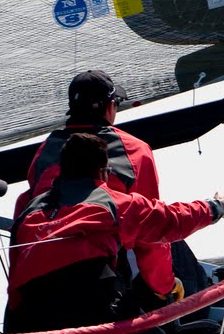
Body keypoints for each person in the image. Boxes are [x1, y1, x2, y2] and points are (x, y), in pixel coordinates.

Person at [1, 132, 224, 334]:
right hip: (85, 289)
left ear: (62, 168)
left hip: (25, 310)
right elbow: (171, 220)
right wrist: (219, 206)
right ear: (103, 172)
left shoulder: (27, 210)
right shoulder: (110, 201)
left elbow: (15, 270)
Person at [21, 71, 179, 308]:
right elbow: (151, 230)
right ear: (109, 107)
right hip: (101, 272)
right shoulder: (134, 151)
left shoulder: (44, 151)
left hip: (38, 276)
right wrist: (165, 287)